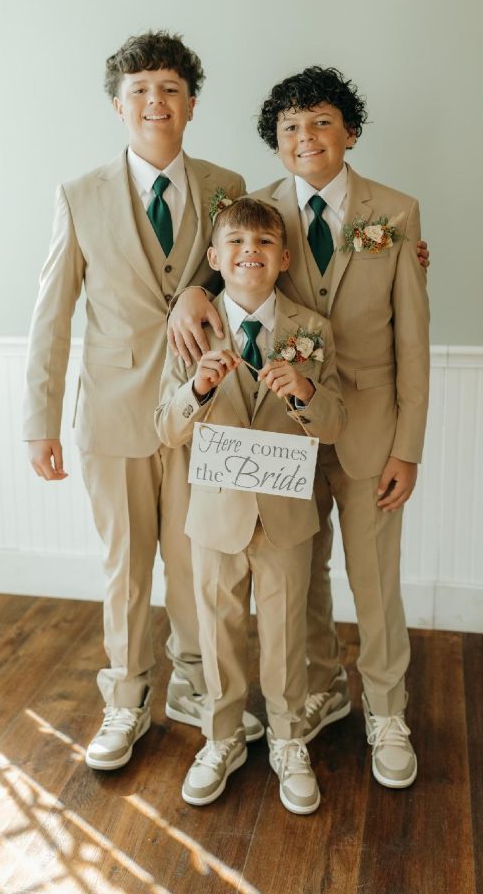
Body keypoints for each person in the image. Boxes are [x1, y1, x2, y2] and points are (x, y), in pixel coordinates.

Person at [168, 67, 430, 788]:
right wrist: (188, 294)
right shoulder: (256, 210)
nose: (305, 137)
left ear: (349, 132)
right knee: (299, 578)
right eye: (289, 127)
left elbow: (413, 341)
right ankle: (317, 690)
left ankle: (387, 712)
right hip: (274, 443)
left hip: (365, 432)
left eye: (320, 122)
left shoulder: (395, 213)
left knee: (374, 581)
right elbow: (220, 274)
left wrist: (407, 447)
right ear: (275, 141)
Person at [22, 30, 262, 772]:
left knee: (200, 565)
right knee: (126, 569)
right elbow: (52, 314)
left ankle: (196, 684)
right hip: (113, 413)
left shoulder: (226, 184)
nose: (155, 102)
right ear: (118, 106)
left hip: (203, 411)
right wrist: (39, 420)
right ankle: (125, 699)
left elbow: (249, 267)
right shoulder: (79, 195)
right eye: (140, 91)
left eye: (170, 89)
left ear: (191, 104)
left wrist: (200, 287)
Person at [156, 197, 345, 813]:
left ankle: (289, 741)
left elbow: (335, 424)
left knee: (286, 633)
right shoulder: (191, 328)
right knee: (217, 631)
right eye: (236, 243)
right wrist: (197, 388)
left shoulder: (313, 330)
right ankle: (222, 738)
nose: (250, 253)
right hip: (216, 513)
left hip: (286, 514)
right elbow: (166, 427)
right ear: (214, 258)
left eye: (264, 243)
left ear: (284, 258)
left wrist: (305, 392)